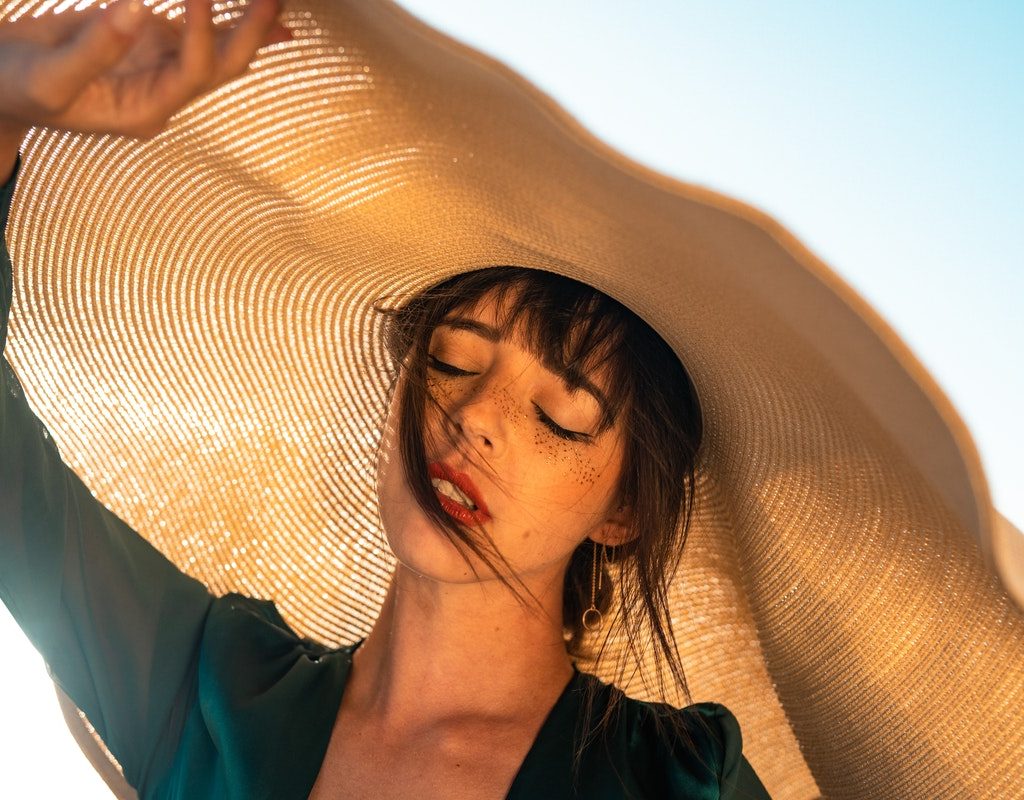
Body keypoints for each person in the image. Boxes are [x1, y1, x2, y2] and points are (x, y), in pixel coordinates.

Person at [0, 1, 771, 798]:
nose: (476, 416)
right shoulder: (212, 690)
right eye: (451, 361)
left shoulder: (677, 779)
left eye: (558, 416)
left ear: (625, 509)